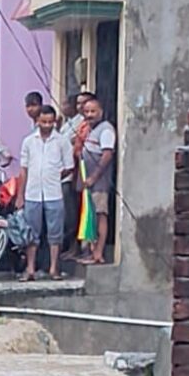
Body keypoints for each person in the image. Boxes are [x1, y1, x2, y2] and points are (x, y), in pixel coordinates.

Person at [17, 103, 74, 281]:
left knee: (55, 233)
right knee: (31, 234)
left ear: (55, 122)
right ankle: (31, 269)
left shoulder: (62, 141)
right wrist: (20, 195)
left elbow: (69, 166)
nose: (47, 125)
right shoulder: (28, 142)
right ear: (38, 121)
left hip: (54, 193)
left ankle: (54, 268)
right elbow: (23, 170)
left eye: (51, 122)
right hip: (33, 193)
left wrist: (56, 175)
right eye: (44, 122)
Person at [77, 94, 117, 266]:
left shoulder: (106, 129)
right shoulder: (92, 129)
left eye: (93, 111)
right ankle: (92, 252)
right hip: (89, 182)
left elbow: (107, 155)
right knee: (91, 217)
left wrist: (94, 177)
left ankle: (98, 253)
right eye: (87, 111)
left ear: (101, 112)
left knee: (100, 216)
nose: (90, 114)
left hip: (99, 182)